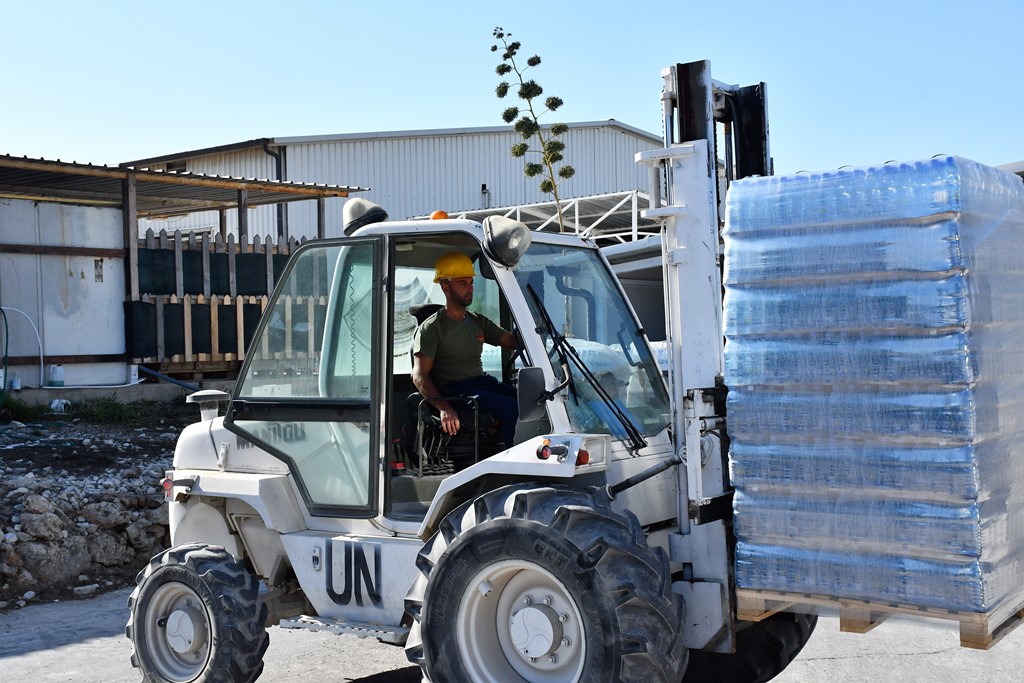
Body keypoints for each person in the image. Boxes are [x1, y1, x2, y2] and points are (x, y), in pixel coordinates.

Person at [411, 252, 518, 448]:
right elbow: (419, 377)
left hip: (481, 383)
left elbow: (512, 341)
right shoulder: (432, 328)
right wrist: (444, 408)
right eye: (463, 283)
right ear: (445, 287)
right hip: (456, 392)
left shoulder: (478, 321)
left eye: (471, 283)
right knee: (508, 406)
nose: (470, 289)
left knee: (527, 399)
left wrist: (532, 324)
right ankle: (518, 462)